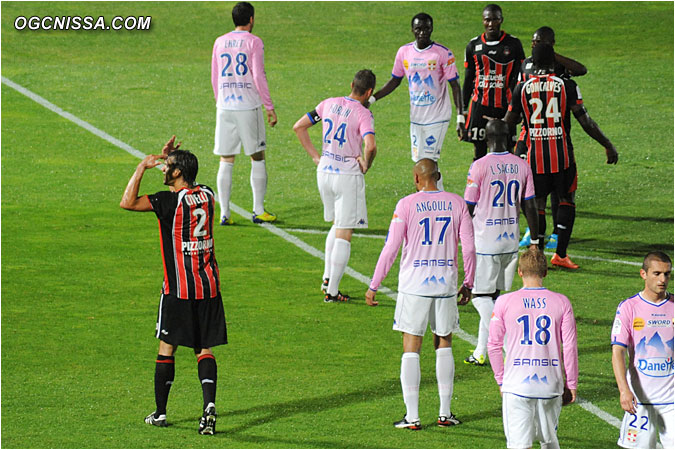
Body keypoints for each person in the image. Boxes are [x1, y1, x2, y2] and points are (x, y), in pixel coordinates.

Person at [120, 136, 227, 435]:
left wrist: (142, 167)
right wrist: (172, 160)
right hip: (208, 286)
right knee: (203, 347)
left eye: (167, 167)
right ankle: (208, 406)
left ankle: (161, 413)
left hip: (178, 288)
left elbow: (127, 202)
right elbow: (184, 186)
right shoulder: (206, 194)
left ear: (177, 173)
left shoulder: (167, 203)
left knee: (167, 347)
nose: (163, 169)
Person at [366, 159, 475, 430]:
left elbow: (391, 248)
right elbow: (470, 248)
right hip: (445, 286)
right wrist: (469, 282)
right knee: (444, 343)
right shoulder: (457, 203)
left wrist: (374, 284)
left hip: (414, 287)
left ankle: (412, 416)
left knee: (411, 347)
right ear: (439, 176)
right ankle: (445, 413)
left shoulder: (406, 205)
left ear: (417, 178)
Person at [504, 43, 618, 270]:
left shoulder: (522, 89)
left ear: (533, 64)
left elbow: (508, 123)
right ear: (554, 63)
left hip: (533, 157)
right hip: (562, 155)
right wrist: (607, 144)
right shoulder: (567, 86)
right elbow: (586, 122)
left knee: (536, 204)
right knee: (566, 200)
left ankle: (536, 250)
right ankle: (561, 255)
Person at [293, 70, 377, 303]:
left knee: (336, 224)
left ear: (351, 85)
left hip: (324, 172)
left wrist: (314, 156)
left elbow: (299, 127)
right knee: (344, 231)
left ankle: (327, 279)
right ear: (369, 92)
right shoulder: (363, 114)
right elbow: (370, 146)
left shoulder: (327, 104)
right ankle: (332, 292)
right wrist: (366, 164)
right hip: (346, 176)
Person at [462, 119, 539, 366]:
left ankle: (508, 343)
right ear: (511, 138)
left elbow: (469, 207)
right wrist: (535, 240)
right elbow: (530, 205)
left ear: (486, 139)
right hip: (510, 242)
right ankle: (480, 351)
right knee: (493, 296)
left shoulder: (479, 166)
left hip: (485, 243)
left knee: (478, 296)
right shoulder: (522, 165)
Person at [487, 247, 578, 448]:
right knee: (549, 443)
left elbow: (493, 346)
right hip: (550, 386)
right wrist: (571, 384)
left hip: (516, 386)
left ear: (520, 272)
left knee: (519, 445)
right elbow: (569, 346)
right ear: (545, 272)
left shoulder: (504, 301)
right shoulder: (562, 302)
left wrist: (501, 381)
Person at [370, 13, 462, 188]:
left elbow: (455, 85)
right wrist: (373, 98)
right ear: (412, 30)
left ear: (432, 28)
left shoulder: (442, 53)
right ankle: (428, 196)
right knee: (420, 161)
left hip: (438, 116)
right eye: (418, 29)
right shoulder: (404, 52)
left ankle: (434, 198)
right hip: (417, 118)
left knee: (429, 160)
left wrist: (460, 117)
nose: (422, 32)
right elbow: (395, 81)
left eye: (426, 28)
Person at [517, 26, 587, 251]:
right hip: (532, 135)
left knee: (557, 191)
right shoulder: (526, 65)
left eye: (540, 43)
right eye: (534, 41)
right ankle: (535, 233)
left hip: (553, 136)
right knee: (535, 192)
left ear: (551, 44)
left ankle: (556, 233)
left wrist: (551, 56)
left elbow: (581, 69)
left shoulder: (560, 67)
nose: (535, 45)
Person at [211, 1, 278, 225]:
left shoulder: (219, 42)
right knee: (257, 157)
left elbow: (215, 75)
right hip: (248, 106)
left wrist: (219, 101)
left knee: (226, 159)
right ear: (251, 19)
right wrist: (269, 106)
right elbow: (258, 75)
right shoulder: (254, 42)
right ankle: (258, 210)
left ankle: (224, 213)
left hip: (224, 107)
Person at [611, 251, 673, 449]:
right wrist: (623, 391)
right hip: (639, 401)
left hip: (672, 402)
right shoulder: (629, 308)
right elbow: (618, 352)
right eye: (657, 274)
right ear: (643, 274)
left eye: (667, 274)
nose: (662, 279)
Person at [461, 4, 525, 160]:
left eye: (495, 19)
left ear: (501, 20)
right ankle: (479, 183)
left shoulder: (513, 44)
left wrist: (520, 108)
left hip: (506, 107)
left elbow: (520, 79)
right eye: (487, 20)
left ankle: (508, 182)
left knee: (508, 149)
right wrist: (462, 111)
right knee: (479, 150)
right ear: (483, 21)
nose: (491, 24)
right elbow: (468, 79)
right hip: (479, 107)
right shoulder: (473, 46)